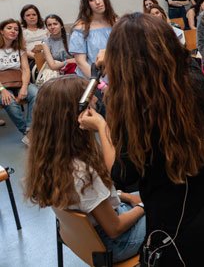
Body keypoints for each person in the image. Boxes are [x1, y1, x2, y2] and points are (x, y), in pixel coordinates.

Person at [101, 13, 204, 265]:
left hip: (178, 229)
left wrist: (101, 125)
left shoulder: (138, 114)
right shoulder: (196, 80)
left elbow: (123, 174)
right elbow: (182, 57)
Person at [23, 76, 146, 263]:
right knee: (169, 202)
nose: (96, 100)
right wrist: (144, 205)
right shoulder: (81, 173)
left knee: (148, 193)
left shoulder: (51, 159)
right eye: (91, 100)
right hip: (118, 242)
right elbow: (115, 228)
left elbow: (94, 201)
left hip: (97, 229)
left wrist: (127, 197)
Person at [0, 19, 38, 144]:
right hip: (2, 85)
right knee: (9, 101)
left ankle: (31, 129)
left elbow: (26, 69)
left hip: (19, 81)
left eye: (16, 29)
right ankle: (27, 133)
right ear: (1, 31)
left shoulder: (20, 49)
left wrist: (24, 87)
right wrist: (2, 90)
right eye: (9, 28)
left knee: (36, 93)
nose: (13, 31)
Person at [69, 0, 117, 78]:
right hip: (93, 81)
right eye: (92, 0)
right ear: (87, 4)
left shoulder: (117, 23)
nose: (97, 2)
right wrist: (100, 84)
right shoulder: (80, 29)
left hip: (118, 78)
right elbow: (81, 63)